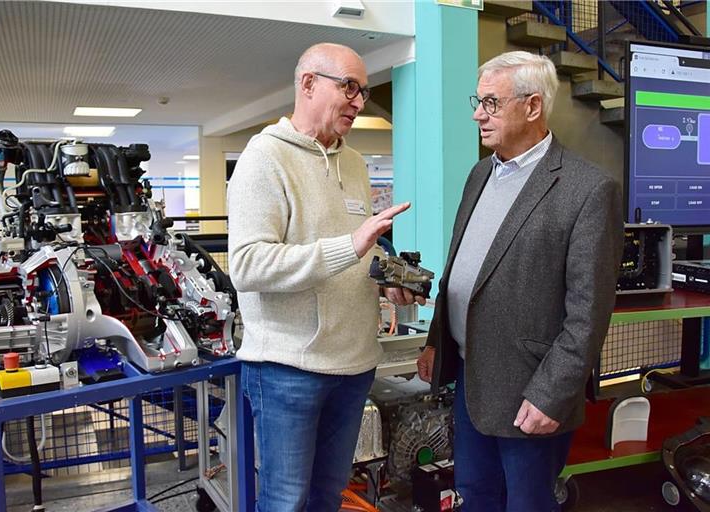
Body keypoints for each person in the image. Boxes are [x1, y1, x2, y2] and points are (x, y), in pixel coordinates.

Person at [416, 51, 623, 511]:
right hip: (472, 380)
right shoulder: (479, 174)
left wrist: (551, 395)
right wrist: (437, 342)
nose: (477, 114)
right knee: (475, 495)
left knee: (527, 504)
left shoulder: (588, 189)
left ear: (532, 107)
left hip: (532, 390)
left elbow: (588, 314)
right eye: (479, 101)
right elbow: (461, 268)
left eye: (491, 103)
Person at [227, 43, 422, 512]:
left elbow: (361, 249)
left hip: (354, 365)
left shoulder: (353, 163)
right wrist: (350, 246)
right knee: (285, 500)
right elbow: (248, 265)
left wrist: (385, 279)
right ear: (308, 84)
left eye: (364, 90)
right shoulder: (264, 158)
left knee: (328, 495)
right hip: (287, 370)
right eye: (350, 87)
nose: (359, 101)